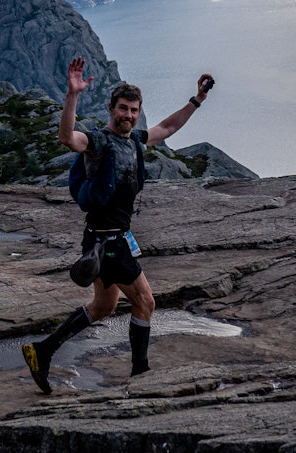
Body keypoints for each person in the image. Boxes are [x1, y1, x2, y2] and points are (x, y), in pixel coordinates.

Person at [21, 56, 215, 393]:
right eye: (123, 108)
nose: (128, 115)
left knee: (104, 306)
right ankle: (141, 373)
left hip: (103, 240)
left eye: (134, 110)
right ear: (112, 108)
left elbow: (167, 128)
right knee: (146, 302)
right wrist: (72, 95)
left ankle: (42, 350)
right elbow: (67, 138)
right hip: (109, 244)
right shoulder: (97, 143)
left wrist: (196, 100)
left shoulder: (135, 142)